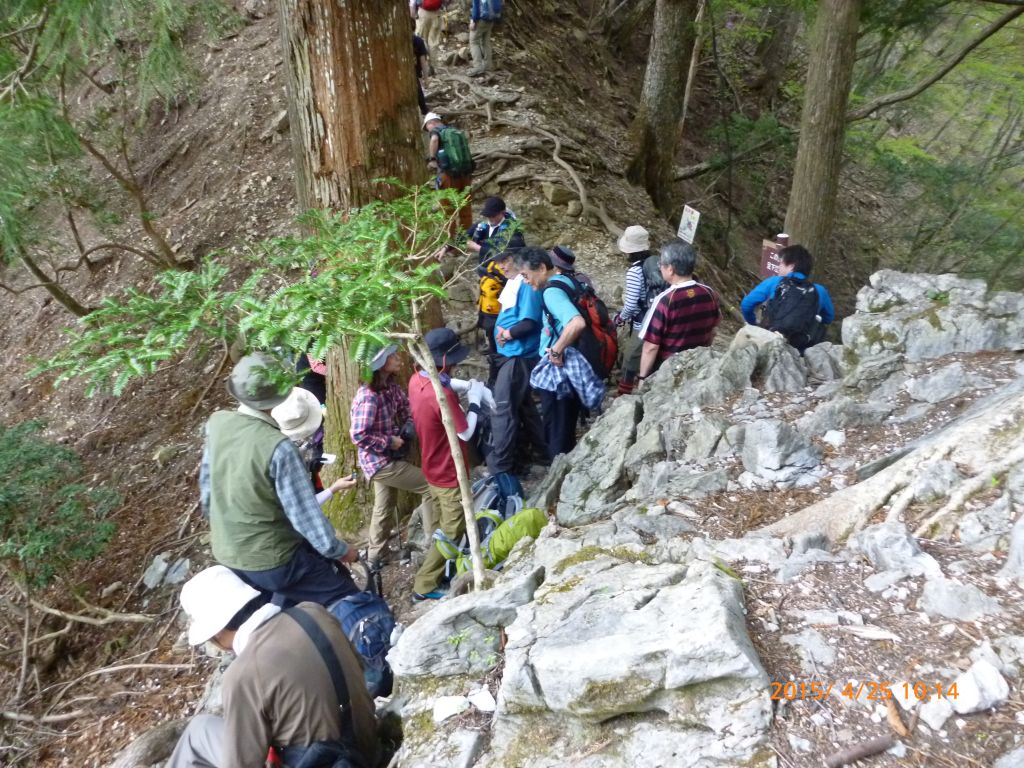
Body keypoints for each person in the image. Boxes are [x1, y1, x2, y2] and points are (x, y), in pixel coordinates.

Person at [167, 566, 379, 768]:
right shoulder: (312, 612)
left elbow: (242, 764)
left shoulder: (243, 674)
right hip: (367, 743)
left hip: (325, 760)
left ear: (218, 632)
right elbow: (359, 667)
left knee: (199, 732)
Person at [200, 352, 359, 608]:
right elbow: (304, 515)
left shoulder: (217, 425)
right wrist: (342, 551)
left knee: (277, 615)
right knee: (347, 598)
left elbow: (207, 494)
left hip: (230, 555)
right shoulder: (280, 448)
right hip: (276, 559)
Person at [408, 328, 485, 600]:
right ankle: (424, 585)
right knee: (453, 528)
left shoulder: (416, 380)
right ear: (443, 361)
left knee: (443, 524)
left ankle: (438, 566)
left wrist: (463, 385)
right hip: (449, 472)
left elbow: (439, 383)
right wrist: (474, 403)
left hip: (432, 466)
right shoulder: (441, 395)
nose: (454, 367)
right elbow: (465, 432)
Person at [350, 345, 435, 572]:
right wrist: (389, 441)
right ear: (381, 365)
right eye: (393, 356)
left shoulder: (389, 387)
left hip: (385, 459)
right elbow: (358, 435)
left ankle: (376, 555)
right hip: (380, 462)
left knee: (384, 506)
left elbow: (406, 407)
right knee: (429, 486)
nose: (398, 359)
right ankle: (432, 544)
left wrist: (408, 424)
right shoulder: (369, 397)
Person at [515, 247, 587, 458]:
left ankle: (557, 473)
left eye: (526, 275)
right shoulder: (568, 280)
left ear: (542, 268)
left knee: (556, 426)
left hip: (560, 371)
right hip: (573, 364)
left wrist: (556, 350)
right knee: (565, 423)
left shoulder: (552, 292)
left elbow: (576, 323)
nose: (525, 281)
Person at [488, 250, 547, 476]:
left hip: (518, 355)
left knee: (502, 408)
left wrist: (508, 334)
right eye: (498, 262)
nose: (502, 266)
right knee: (524, 407)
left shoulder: (526, 285)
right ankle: (543, 452)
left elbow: (530, 322)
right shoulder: (514, 285)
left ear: (518, 260)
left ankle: (500, 468)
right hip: (511, 354)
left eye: (506, 260)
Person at [637, 240, 721, 382]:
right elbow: (713, 329)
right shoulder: (709, 293)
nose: (660, 268)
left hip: (669, 370)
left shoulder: (665, 300)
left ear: (670, 269)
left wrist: (642, 377)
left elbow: (651, 346)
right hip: (699, 365)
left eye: (661, 264)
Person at [740, 244, 835, 352]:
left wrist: (754, 324)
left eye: (781, 263)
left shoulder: (775, 282)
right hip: (799, 351)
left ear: (791, 266)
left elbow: (746, 304)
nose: (779, 267)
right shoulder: (819, 291)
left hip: (770, 343)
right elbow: (829, 318)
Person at [613, 224, 662, 395]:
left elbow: (632, 303)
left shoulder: (635, 271)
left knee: (631, 355)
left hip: (642, 320)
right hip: (657, 316)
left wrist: (620, 318)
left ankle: (624, 391)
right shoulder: (654, 263)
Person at [424, 112, 473, 233]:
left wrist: (432, 158)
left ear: (432, 123)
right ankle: (467, 238)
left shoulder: (436, 131)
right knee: (465, 207)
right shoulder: (454, 131)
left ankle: (450, 242)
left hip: (448, 175)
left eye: (426, 127)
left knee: (447, 209)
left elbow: (434, 140)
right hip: (465, 174)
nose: (428, 130)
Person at [469, 0, 502, 77]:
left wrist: (473, 20)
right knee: (486, 42)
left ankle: (478, 66)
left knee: (474, 42)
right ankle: (488, 65)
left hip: (481, 20)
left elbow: (476, 7)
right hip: (491, 19)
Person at [412, 24, 430, 116]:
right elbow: (423, 62)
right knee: (418, 91)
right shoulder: (418, 41)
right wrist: (426, 78)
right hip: (414, 73)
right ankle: (424, 110)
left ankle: (423, 110)